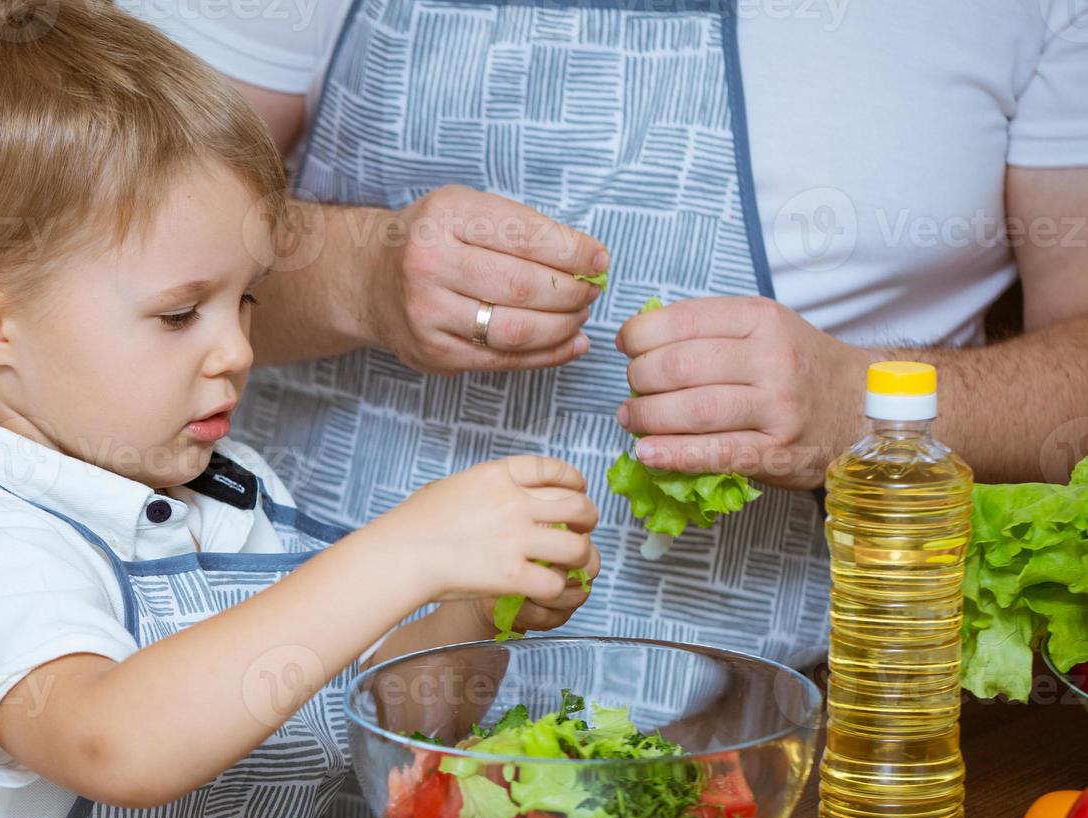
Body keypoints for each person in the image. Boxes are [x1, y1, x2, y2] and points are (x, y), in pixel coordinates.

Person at [0, 2, 600, 818]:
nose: (240, 349)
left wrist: (478, 601)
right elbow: (118, 739)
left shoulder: (243, 492)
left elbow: (415, 725)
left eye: (244, 298)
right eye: (178, 313)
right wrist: (404, 549)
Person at [136, 0, 1088, 680]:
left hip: (808, 714)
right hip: (282, 672)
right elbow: (85, 249)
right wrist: (357, 271)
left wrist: (865, 406)